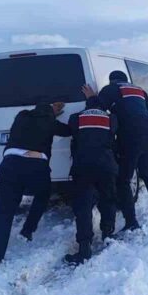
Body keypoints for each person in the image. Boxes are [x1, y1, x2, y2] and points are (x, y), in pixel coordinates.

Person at [0, 102, 70, 268]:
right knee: (43, 194)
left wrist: (49, 112)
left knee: (5, 212)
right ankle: (28, 229)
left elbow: (37, 118)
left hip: (10, 164)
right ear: (51, 113)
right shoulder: (50, 122)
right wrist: (53, 115)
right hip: (36, 166)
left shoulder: (21, 116)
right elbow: (68, 131)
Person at [84, 70, 148, 232]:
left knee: (123, 180)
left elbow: (97, 110)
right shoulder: (140, 91)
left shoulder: (111, 89)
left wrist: (92, 97)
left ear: (112, 80)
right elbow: (142, 112)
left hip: (131, 137)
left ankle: (131, 221)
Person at [64, 96, 118, 266]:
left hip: (83, 166)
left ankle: (84, 247)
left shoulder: (76, 118)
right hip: (106, 165)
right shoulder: (111, 118)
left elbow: (73, 132)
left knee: (83, 206)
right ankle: (108, 233)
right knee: (108, 199)